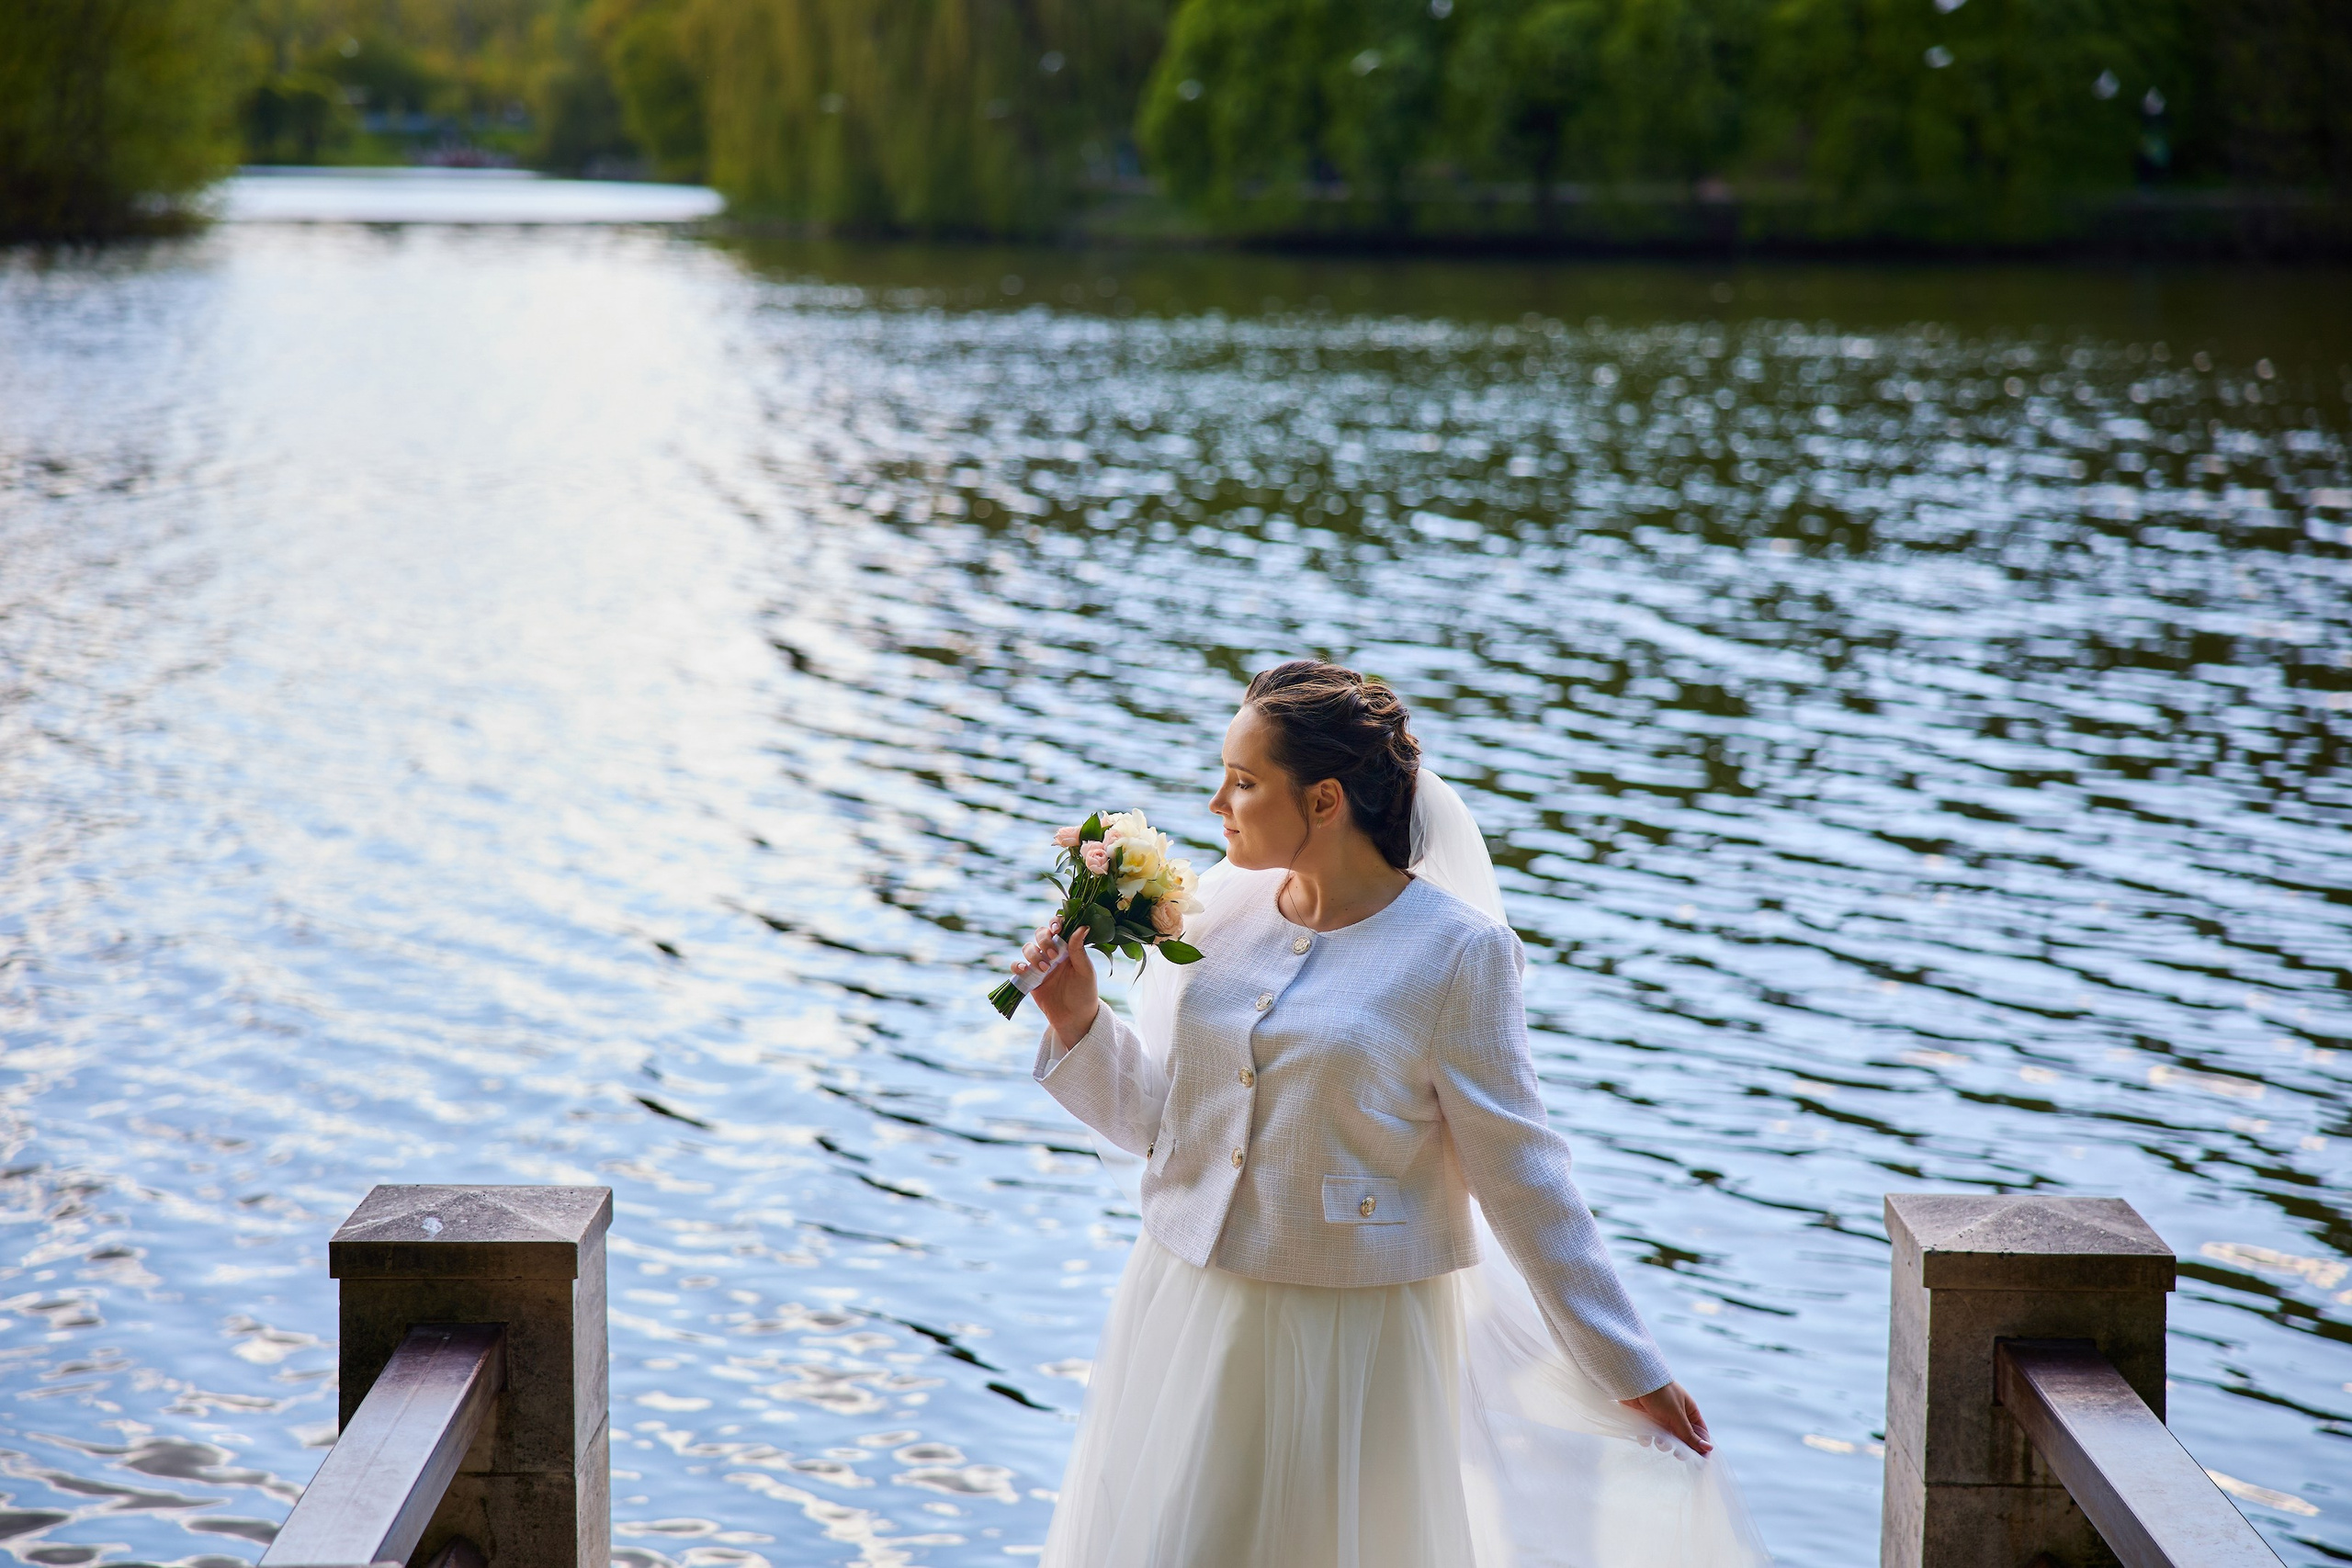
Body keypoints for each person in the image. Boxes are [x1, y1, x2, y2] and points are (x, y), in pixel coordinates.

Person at [1009, 660, 1769, 1568]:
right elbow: (1163, 1128)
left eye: (1243, 782)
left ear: (1324, 800)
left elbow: (1523, 1176)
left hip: (1349, 1342)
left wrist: (1628, 1366)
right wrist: (1078, 1020)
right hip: (1185, 1303)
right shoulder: (1210, 910)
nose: (1216, 803)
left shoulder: (1457, 954)